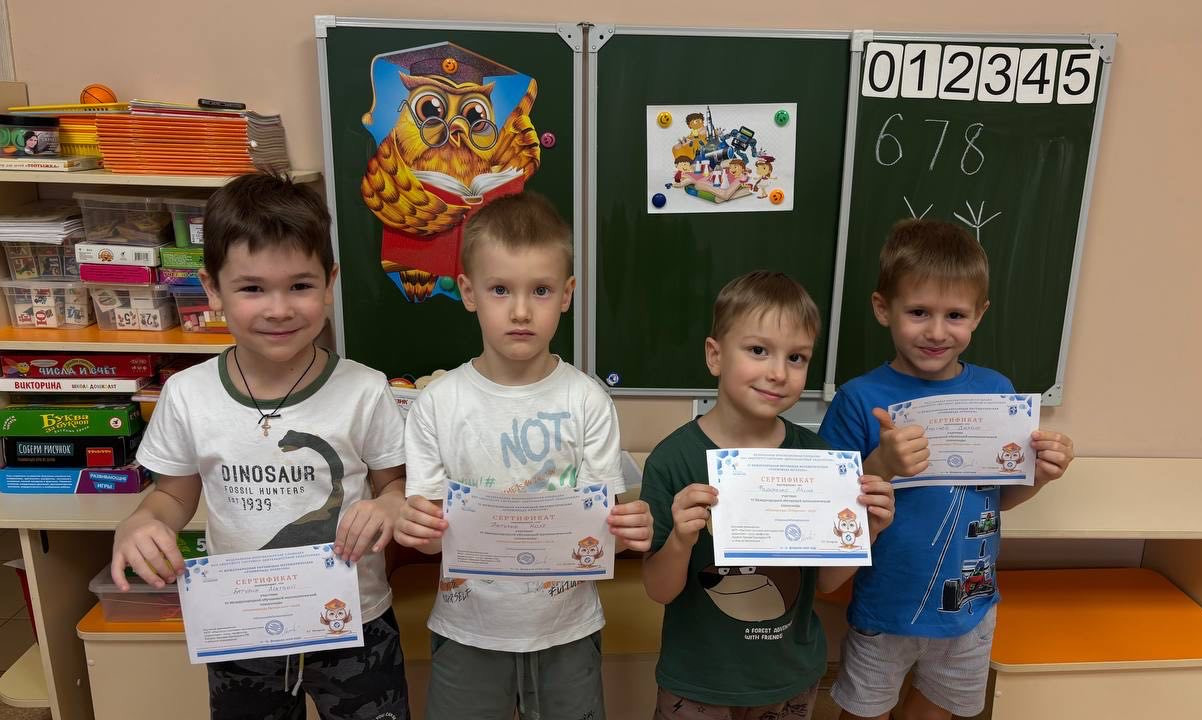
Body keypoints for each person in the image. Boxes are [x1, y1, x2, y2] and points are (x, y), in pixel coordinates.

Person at [111, 173, 411, 720]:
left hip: (353, 619)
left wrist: (390, 505)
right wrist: (140, 522)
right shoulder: (187, 394)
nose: (278, 309)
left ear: (330, 282)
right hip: (242, 626)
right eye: (252, 288)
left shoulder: (366, 390)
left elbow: (395, 484)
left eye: (300, 286)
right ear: (212, 289)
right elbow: (172, 496)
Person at [393, 191, 654, 720]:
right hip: (467, 630)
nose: (520, 310)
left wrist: (627, 528)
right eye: (499, 289)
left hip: (567, 630)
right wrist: (415, 526)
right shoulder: (436, 405)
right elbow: (430, 530)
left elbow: (602, 525)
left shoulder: (588, 401)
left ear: (567, 295)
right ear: (468, 292)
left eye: (540, 290)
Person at [819, 219, 1076, 720]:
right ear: (883, 309)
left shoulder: (997, 392)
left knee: (938, 710)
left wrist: (1041, 475)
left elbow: (999, 499)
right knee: (863, 712)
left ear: (979, 315)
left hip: (969, 608)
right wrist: (882, 465)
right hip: (886, 606)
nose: (937, 332)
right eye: (918, 312)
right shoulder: (858, 399)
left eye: (955, 315)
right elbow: (829, 516)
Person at [640, 271, 895, 720]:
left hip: (788, 676)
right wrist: (680, 538)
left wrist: (866, 532)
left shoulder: (818, 458)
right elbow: (659, 591)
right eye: (758, 350)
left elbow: (827, 583)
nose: (778, 373)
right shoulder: (673, 460)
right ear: (715, 356)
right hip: (699, 679)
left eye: (796, 357)